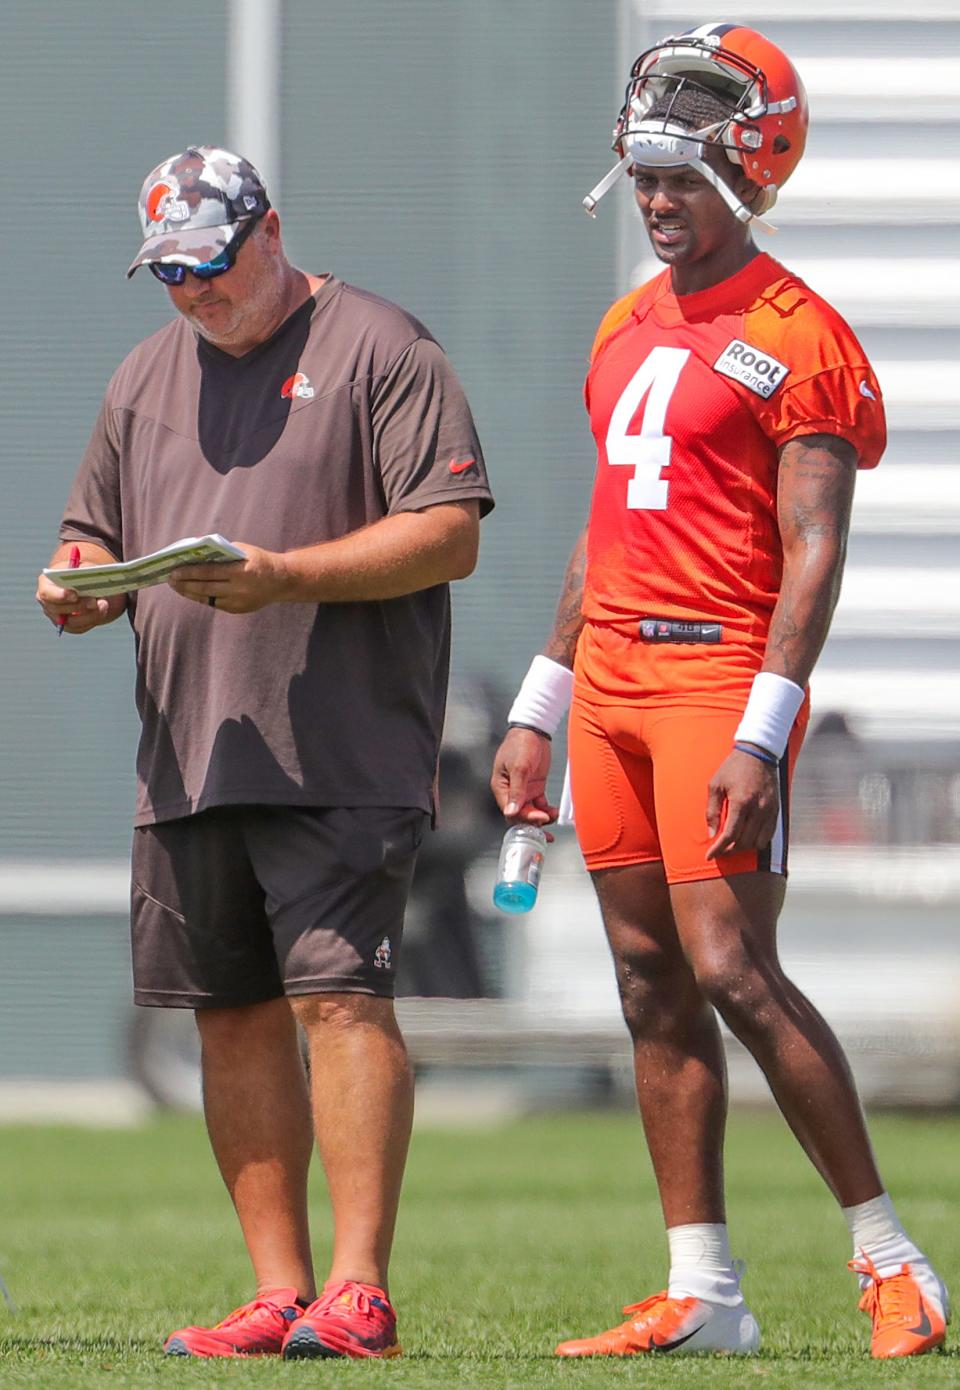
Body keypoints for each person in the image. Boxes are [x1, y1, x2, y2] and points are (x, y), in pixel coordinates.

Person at [491, 24, 948, 1360]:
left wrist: (767, 723)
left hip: (713, 673)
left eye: (679, 177)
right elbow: (606, 527)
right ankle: (705, 1287)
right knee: (647, 977)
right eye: (642, 176)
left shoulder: (799, 334)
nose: (654, 200)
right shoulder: (626, 322)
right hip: (613, 675)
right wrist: (537, 696)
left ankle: (891, 1256)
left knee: (732, 964)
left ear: (748, 174)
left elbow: (817, 549)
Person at [36, 145, 493, 1360]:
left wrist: (285, 577)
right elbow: (91, 532)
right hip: (187, 757)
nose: (194, 293)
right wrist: (78, 584)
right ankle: (279, 1289)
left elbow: (448, 534)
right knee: (227, 1015)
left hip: (339, 750)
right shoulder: (145, 375)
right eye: (170, 275)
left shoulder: (384, 348)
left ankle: (359, 1288)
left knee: (340, 999)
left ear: (271, 231)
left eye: (210, 266)